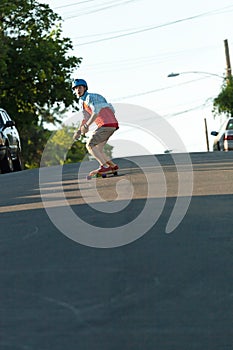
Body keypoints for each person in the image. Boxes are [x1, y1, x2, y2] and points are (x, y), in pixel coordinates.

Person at [72, 78, 119, 174]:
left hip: (106, 124)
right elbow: (86, 117)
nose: (78, 90)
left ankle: (105, 167)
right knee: (98, 149)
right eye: (75, 88)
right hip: (111, 124)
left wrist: (87, 125)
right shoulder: (82, 102)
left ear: (85, 88)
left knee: (90, 145)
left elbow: (96, 112)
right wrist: (79, 131)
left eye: (80, 87)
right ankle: (113, 166)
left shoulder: (90, 97)